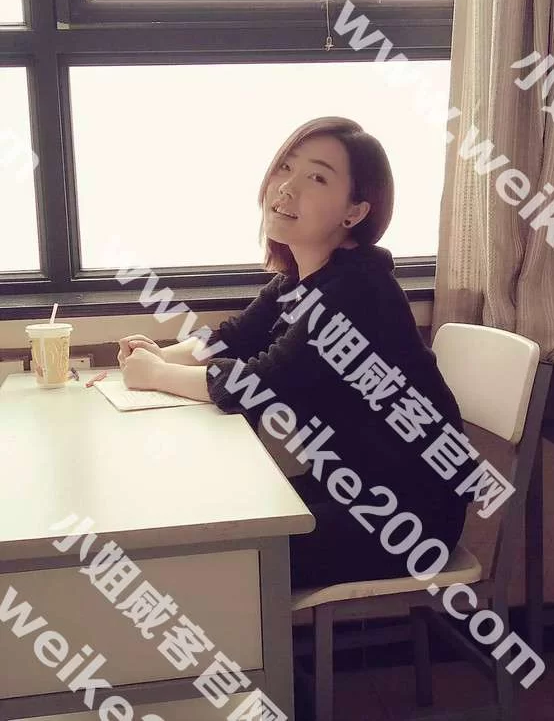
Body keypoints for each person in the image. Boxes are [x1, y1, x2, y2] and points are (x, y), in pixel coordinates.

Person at [117, 116, 469, 591]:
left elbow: (259, 386)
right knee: (205, 520)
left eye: (317, 177)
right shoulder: (303, 278)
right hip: (350, 490)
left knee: (213, 556)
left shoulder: (356, 289)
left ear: (354, 212)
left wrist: (156, 374)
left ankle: (247, 640)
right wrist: (157, 355)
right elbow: (233, 339)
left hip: (404, 519)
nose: (287, 187)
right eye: (285, 167)